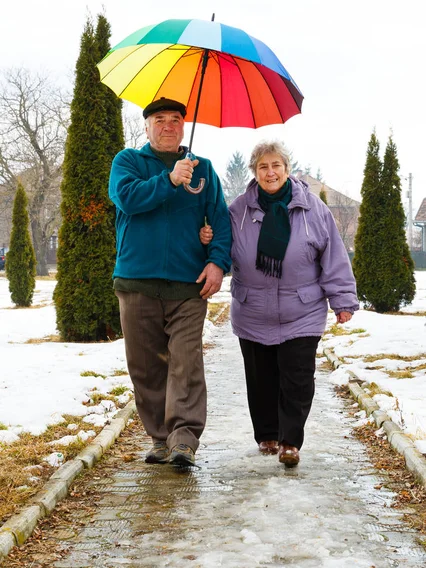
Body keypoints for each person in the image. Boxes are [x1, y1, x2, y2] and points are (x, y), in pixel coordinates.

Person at [200, 140, 358, 466]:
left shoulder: (313, 209)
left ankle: (290, 442)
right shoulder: (238, 211)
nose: (270, 172)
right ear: (254, 172)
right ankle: (267, 435)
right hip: (253, 310)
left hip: (302, 309)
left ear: (287, 169)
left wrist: (342, 299)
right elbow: (222, 251)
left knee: (298, 379)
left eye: (276, 165)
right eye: (263, 166)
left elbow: (333, 257)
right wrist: (207, 238)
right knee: (261, 379)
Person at [109, 97, 231, 467]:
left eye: (175, 119)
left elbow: (220, 223)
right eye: (159, 119)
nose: (167, 125)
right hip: (137, 281)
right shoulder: (127, 162)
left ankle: (183, 439)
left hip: (187, 285)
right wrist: (169, 179)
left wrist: (217, 264)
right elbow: (127, 199)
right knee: (145, 366)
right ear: (146, 127)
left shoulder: (204, 170)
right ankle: (160, 438)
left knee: (185, 362)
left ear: (183, 126)